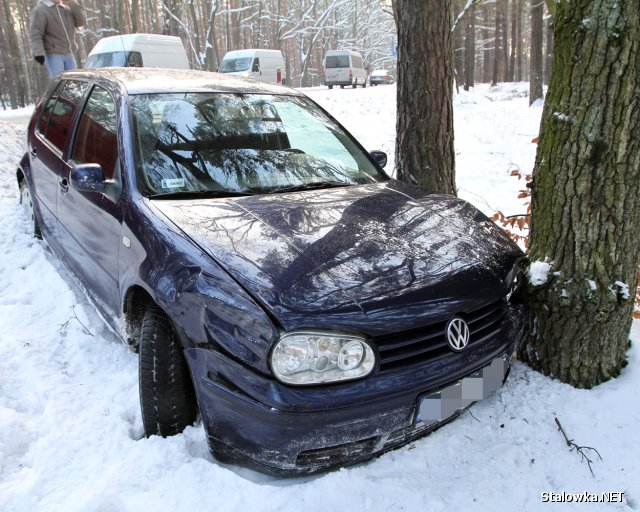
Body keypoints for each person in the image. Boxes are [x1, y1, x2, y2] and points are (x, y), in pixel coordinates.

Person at [29, 0, 86, 78]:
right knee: (59, 83)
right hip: (53, 55)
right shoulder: (41, 10)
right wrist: (39, 53)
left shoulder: (65, 9)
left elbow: (81, 22)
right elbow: (35, 33)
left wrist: (72, 3)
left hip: (69, 54)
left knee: (74, 83)